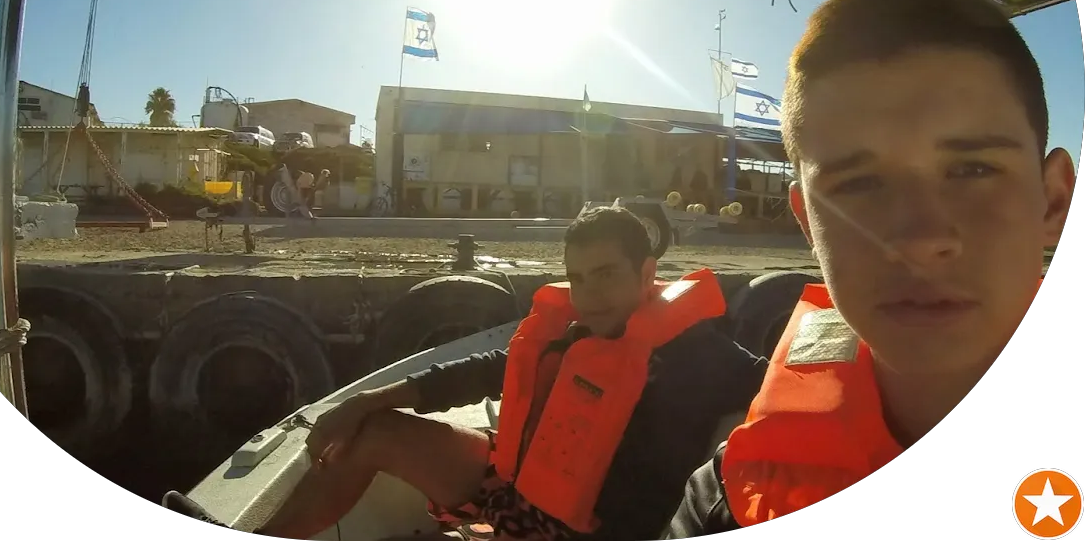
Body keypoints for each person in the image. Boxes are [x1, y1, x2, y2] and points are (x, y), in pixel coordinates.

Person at [662, 0, 1074, 536]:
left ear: (1052, 201)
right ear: (808, 221)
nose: (919, 240)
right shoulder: (733, 497)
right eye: (858, 184)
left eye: (973, 170)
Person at [165, 206, 768, 539]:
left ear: (648, 274)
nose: (588, 295)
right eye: (577, 279)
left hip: (586, 532)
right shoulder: (578, 332)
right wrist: (368, 399)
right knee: (374, 431)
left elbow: (779, 389)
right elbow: (490, 369)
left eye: (606, 275)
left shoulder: (704, 355)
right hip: (519, 487)